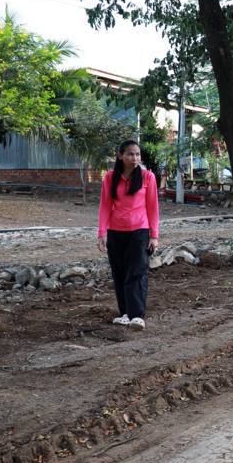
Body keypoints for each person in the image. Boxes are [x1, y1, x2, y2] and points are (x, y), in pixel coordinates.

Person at [97, 140, 159, 330]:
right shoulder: (110, 178)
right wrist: (101, 233)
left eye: (137, 154)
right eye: (130, 154)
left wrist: (154, 235)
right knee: (120, 273)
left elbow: (153, 207)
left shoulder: (148, 177)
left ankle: (137, 315)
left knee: (137, 272)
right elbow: (105, 206)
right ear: (120, 155)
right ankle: (125, 313)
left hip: (139, 231)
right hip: (115, 232)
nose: (135, 158)